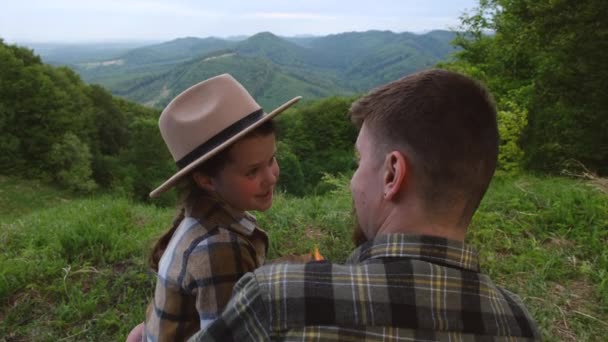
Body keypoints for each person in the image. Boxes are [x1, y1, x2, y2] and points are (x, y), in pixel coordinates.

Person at [188, 69, 541, 341]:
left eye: (359, 161)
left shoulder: (275, 298)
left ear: (392, 174)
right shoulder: (520, 324)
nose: (354, 180)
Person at [127, 74, 304, 342]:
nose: (271, 176)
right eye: (253, 171)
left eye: (272, 159)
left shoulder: (202, 221)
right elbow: (233, 335)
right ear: (207, 180)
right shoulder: (220, 247)